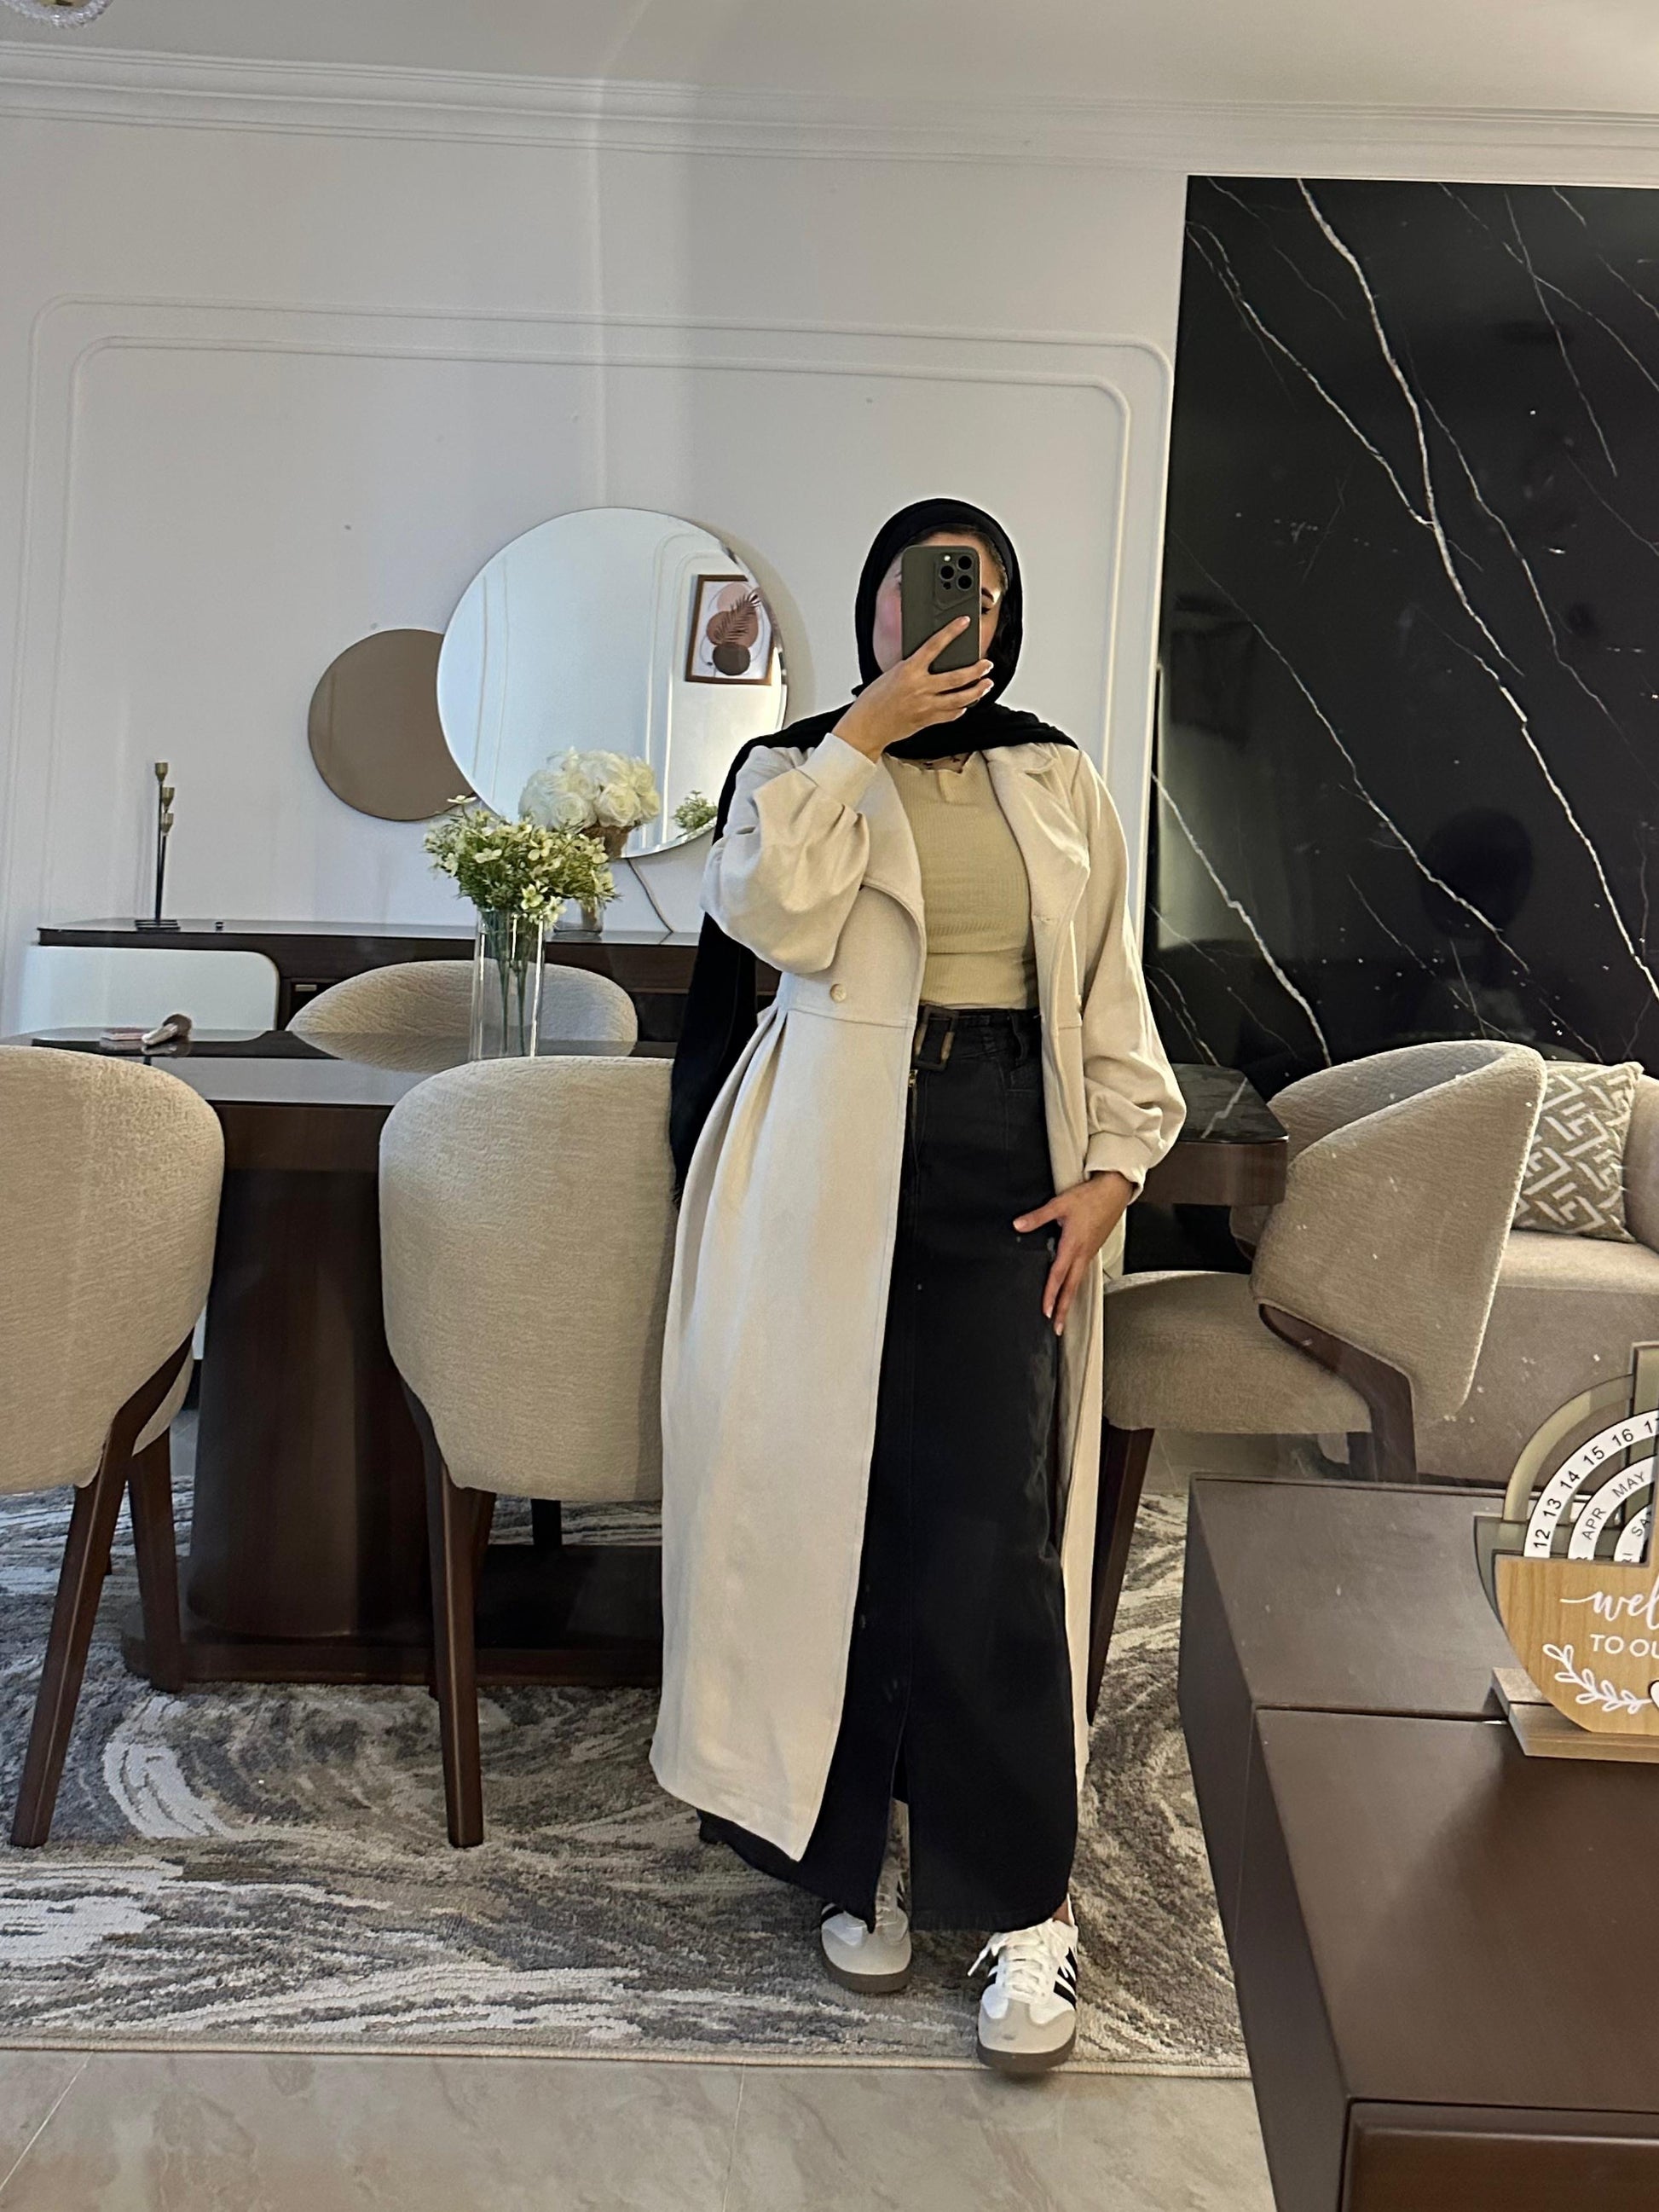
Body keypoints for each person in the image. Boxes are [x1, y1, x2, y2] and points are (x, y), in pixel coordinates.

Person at [651, 498, 1185, 2074]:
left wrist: (1115, 1168)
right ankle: (855, 1852)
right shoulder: (795, 766)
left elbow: (1108, 984)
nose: (956, 612)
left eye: (982, 591)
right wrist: (861, 739)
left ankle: (1026, 1898)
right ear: (875, 607)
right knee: (834, 1501)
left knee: (990, 1520)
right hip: (826, 1160)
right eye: (925, 587)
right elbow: (769, 913)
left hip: (1008, 1151)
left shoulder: (1056, 774)